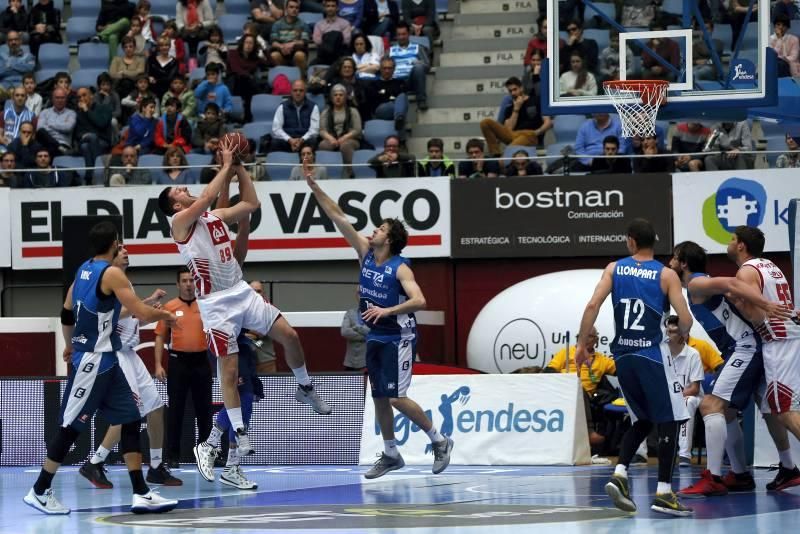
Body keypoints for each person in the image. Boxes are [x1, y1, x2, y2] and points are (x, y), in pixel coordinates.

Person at [158, 142, 331, 471]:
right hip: (215, 305)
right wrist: (224, 164)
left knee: (290, 335)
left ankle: (306, 387)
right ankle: (239, 433)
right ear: (174, 202)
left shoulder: (214, 217)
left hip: (240, 291)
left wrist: (239, 169)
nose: (185, 187)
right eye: (179, 188)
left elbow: (251, 203)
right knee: (231, 371)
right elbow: (208, 196)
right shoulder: (179, 223)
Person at [24, 221, 178, 515]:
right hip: (93, 362)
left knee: (131, 418)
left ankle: (141, 493)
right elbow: (141, 312)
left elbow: (66, 312)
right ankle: (40, 490)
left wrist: (69, 344)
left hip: (108, 359)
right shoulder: (113, 274)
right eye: (120, 242)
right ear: (114, 244)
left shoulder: (82, 271)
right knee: (70, 428)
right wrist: (168, 316)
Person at [306, 173, 453, 479]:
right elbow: (338, 216)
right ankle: (390, 453)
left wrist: (387, 310)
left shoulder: (400, 268)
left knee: (397, 397)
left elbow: (420, 300)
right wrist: (315, 187)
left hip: (399, 337)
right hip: (375, 337)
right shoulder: (365, 254)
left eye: (381, 228)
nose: (373, 230)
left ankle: (440, 440)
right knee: (379, 397)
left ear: (389, 239)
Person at [574, 218, 695, 516]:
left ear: (630, 241)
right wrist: (681, 332)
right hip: (652, 355)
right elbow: (686, 317)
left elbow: (592, 306)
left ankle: (620, 473)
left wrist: (579, 345)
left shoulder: (614, 268)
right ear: (653, 243)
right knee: (671, 419)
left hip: (623, 357)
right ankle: (664, 493)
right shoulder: (667, 275)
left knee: (641, 419)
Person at [673, 234, 800, 497]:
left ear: (683, 263)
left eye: (674, 258)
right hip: (755, 344)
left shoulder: (697, 283)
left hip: (745, 346)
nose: (670, 263)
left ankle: (713, 477)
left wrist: (766, 305)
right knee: (762, 409)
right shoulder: (700, 285)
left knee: (711, 405)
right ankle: (755, 472)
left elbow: (732, 283)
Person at [79, 245, 182, 489]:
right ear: (111, 257)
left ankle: (156, 467)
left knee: (156, 406)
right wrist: (156, 312)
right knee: (129, 413)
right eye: (120, 250)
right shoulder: (107, 282)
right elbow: (116, 315)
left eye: (125, 249)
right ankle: (95, 462)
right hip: (116, 354)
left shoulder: (125, 282)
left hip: (131, 354)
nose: (125, 252)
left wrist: (148, 306)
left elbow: (131, 314)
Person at [153, 266, 213, 467]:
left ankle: (206, 455)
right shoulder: (169, 307)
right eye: (185, 281)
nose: (189, 284)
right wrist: (158, 364)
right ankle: (172, 456)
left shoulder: (206, 305)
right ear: (178, 284)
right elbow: (160, 336)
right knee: (176, 411)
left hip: (202, 362)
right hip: (178, 363)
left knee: (204, 411)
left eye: (191, 280)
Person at [545, 326, 615, 448]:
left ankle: (592, 433)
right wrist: (565, 380)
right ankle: (589, 431)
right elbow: (549, 370)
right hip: (562, 390)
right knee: (575, 384)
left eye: (589, 336)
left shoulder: (602, 360)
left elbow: (621, 370)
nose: (585, 339)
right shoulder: (566, 353)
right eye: (582, 336)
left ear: (596, 340)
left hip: (585, 396)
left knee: (579, 388)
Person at [661, 315, 705, 467]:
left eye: (673, 331)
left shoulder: (693, 355)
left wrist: (676, 396)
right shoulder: (661, 353)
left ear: (683, 334)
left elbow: (694, 388)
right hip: (667, 396)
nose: (668, 334)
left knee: (688, 402)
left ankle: (684, 454)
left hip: (690, 397)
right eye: (668, 331)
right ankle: (640, 454)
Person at [479, 76, 552, 157]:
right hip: (514, 135)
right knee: (485, 123)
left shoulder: (536, 101)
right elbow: (508, 129)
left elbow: (548, 122)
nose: (513, 93)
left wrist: (536, 133)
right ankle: (496, 154)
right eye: (510, 91)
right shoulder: (509, 108)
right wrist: (516, 109)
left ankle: (500, 161)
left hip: (530, 135)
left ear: (521, 88)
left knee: (509, 150)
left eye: (515, 89)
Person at [318, 84, 362, 177]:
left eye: (341, 95)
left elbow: (357, 129)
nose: (338, 97)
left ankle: (349, 172)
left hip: (351, 139)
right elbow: (322, 130)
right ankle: (327, 174)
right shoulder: (326, 112)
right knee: (323, 145)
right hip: (332, 139)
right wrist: (330, 139)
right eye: (335, 95)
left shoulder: (353, 111)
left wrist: (344, 137)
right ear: (331, 97)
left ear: (345, 97)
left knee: (345, 145)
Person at [271, 79, 320, 153]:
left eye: (301, 90)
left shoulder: (313, 107)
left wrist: (301, 140)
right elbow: (276, 129)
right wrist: (290, 140)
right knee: (275, 143)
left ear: (305, 92)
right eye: (295, 90)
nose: (298, 93)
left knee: (313, 141)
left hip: (304, 141)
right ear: (291, 92)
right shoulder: (282, 107)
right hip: (288, 141)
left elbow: (314, 130)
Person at [389, 22, 429, 110]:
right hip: (395, 81)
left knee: (418, 68)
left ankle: (421, 100)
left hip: (410, 80)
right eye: (399, 34)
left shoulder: (417, 47)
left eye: (404, 34)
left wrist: (419, 63)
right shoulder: (390, 50)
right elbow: (383, 65)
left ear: (409, 34)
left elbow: (427, 66)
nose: (401, 37)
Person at [269, 0, 310, 73]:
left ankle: (301, 80)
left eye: (297, 8)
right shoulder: (277, 24)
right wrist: (282, 47)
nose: (294, 9)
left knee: (299, 55)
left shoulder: (303, 24)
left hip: (296, 51)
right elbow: (273, 42)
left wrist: (292, 44)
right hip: (281, 52)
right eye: (291, 7)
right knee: (274, 55)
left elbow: (304, 41)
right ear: (286, 9)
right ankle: (280, 79)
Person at [36, 88, 76, 157]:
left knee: (49, 150)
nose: (60, 100)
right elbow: (40, 128)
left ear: (66, 99)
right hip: (47, 144)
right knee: (41, 132)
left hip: (63, 144)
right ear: (52, 99)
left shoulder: (71, 113)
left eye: (62, 98)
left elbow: (68, 128)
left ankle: (59, 148)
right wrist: (61, 127)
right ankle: (59, 147)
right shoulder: (44, 112)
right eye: (57, 98)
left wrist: (50, 125)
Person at [0, 85, 35, 151]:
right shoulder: (3, 114)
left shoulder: (32, 116)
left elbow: (33, 137)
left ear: (26, 98)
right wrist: (7, 144)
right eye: (17, 95)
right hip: (5, 146)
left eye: (22, 95)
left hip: (23, 148)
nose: (20, 98)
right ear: (13, 97)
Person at [0, 31, 34, 97]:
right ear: (7, 43)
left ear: (20, 41)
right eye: (10, 40)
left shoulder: (28, 56)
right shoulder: (1, 56)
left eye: (16, 39)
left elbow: (29, 69)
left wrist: (10, 65)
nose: (13, 42)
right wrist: (21, 66)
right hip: (3, 86)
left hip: (21, 85)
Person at [341, 291, 368, 371]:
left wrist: (355, 327)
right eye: (360, 293)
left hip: (367, 362)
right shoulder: (350, 313)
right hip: (350, 362)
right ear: (356, 295)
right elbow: (345, 332)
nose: (362, 296)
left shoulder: (377, 313)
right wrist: (364, 333)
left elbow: (371, 332)